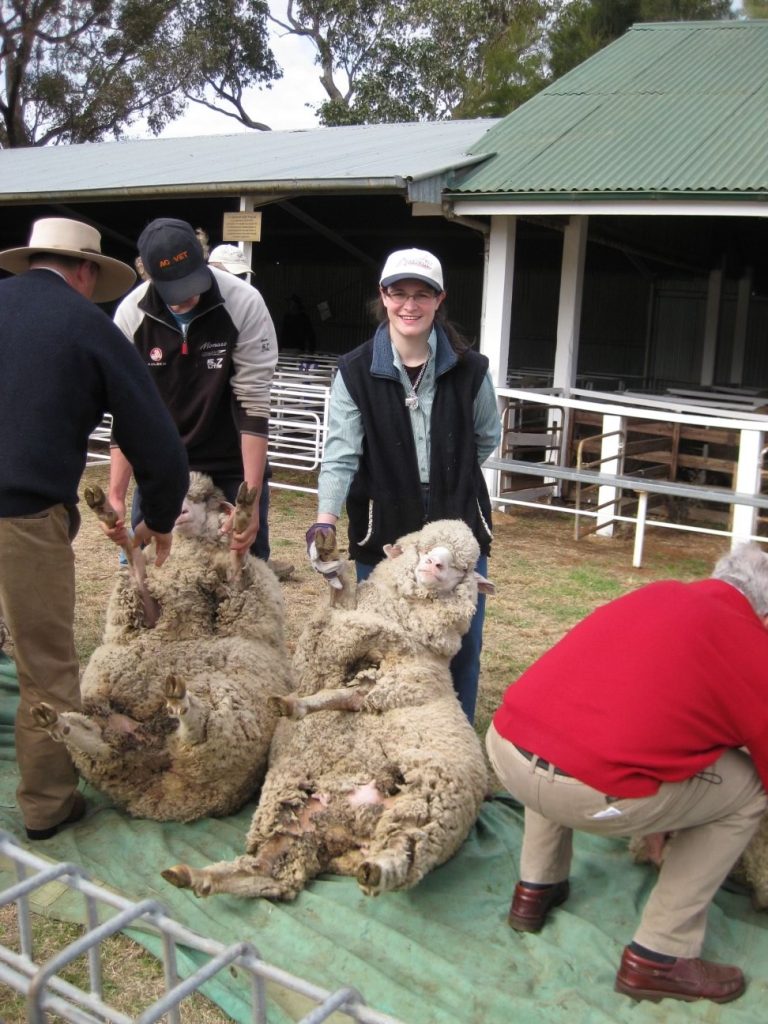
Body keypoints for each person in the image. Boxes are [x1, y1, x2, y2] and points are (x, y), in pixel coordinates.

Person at [486, 543, 768, 1005]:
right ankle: (661, 954)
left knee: (564, 725)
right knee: (750, 789)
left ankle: (534, 889)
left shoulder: (657, 594)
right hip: (589, 788)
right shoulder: (749, 638)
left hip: (506, 749)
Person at [0, 217, 189, 841]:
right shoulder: (90, 328)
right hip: (20, 516)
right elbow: (157, 442)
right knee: (46, 670)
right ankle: (49, 806)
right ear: (85, 272)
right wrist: (158, 517)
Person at [306, 248, 501, 723]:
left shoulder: (470, 370)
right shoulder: (354, 372)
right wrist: (324, 521)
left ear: (439, 300)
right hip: (385, 521)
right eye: (399, 293)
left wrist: (448, 475)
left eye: (421, 294)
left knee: (461, 641)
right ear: (383, 296)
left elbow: (486, 435)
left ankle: (452, 735)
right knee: (383, 638)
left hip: (456, 519)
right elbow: (340, 453)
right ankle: (386, 738)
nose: (409, 305)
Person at [109, 218, 283, 574]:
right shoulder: (131, 315)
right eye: (173, 289)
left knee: (241, 576)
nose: (186, 296)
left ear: (203, 260)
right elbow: (128, 412)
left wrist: (248, 502)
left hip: (231, 462)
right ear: (148, 275)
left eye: (192, 282)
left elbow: (252, 403)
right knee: (156, 576)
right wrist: (115, 493)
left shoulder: (244, 304)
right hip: (161, 465)